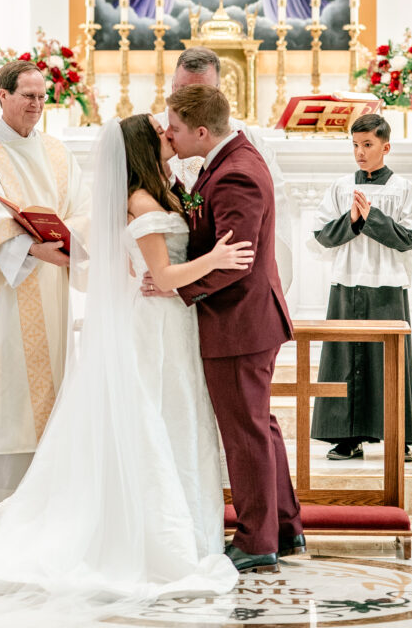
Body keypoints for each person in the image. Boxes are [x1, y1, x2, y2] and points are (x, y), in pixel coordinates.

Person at [0, 116, 244, 625]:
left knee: (171, 417)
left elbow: (141, 264)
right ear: (146, 148)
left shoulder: (162, 193)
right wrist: (214, 258)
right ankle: (159, 535)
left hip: (166, 323)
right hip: (156, 325)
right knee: (156, 419)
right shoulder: (143, 203)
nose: (172, 134)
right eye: (162, 132)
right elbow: (163, 275)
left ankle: (180, 527)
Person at [148, 85, 305, 572]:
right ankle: (284, 525)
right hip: (245, 319)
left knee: (245, 433)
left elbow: (236, 261)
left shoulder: (236, 172)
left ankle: (257, 540)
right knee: (259, 426)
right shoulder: (228, 160)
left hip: (238, 321)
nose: (169, 136)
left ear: (200, 131)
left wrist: (178, 288)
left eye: (173, 128)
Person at [0, 59, 90, 506]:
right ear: (3, 95)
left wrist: (68, 239)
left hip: (51, 287)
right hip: (4, 294)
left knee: (52, 382)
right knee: (4, 386)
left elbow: (83, 208)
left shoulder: (58, 152)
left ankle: (47, 491)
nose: (36, 104)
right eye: (27, 96)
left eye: (41, 96)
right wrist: (33, 250)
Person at [309, 114, 412, 461]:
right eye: (355, 145)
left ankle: (397, 436)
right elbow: (319, 234)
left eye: (368, 145)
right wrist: (350, 221)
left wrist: (372, 218)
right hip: (347, 281)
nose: (360, 153)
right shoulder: (340, 187)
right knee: (343, 358)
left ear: (385, 146)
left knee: (388, 360)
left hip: (387, 283)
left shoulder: (403, 188)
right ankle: (345, 437)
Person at [155, 46, 294, 295]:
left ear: (217, 91)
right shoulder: (154, 132)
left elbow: (268, 210)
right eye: (182, 91)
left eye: (199, 93)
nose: (188, 104)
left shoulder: (243, 137)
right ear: (173, 86)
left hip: (222, 287)